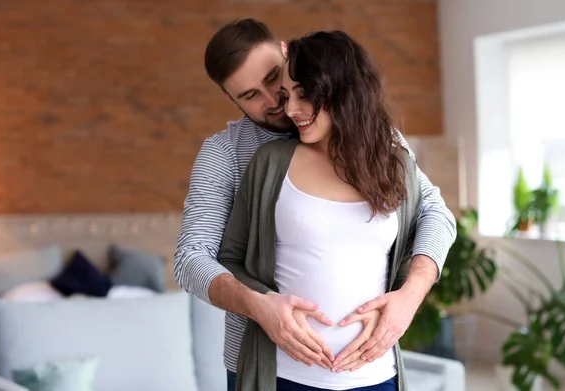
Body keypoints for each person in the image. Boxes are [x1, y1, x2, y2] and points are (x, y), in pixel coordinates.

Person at [173, 18, 457, 391]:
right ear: (230, 99)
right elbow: (192, 258)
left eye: (275, 78)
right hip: (267, 366)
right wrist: (259, 306)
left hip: (370, 371)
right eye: (250, 95)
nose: (276, 101)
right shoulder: (226, 153)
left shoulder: (375, 137)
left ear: (288, 55)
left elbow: (434, 211)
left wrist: (410, 295)